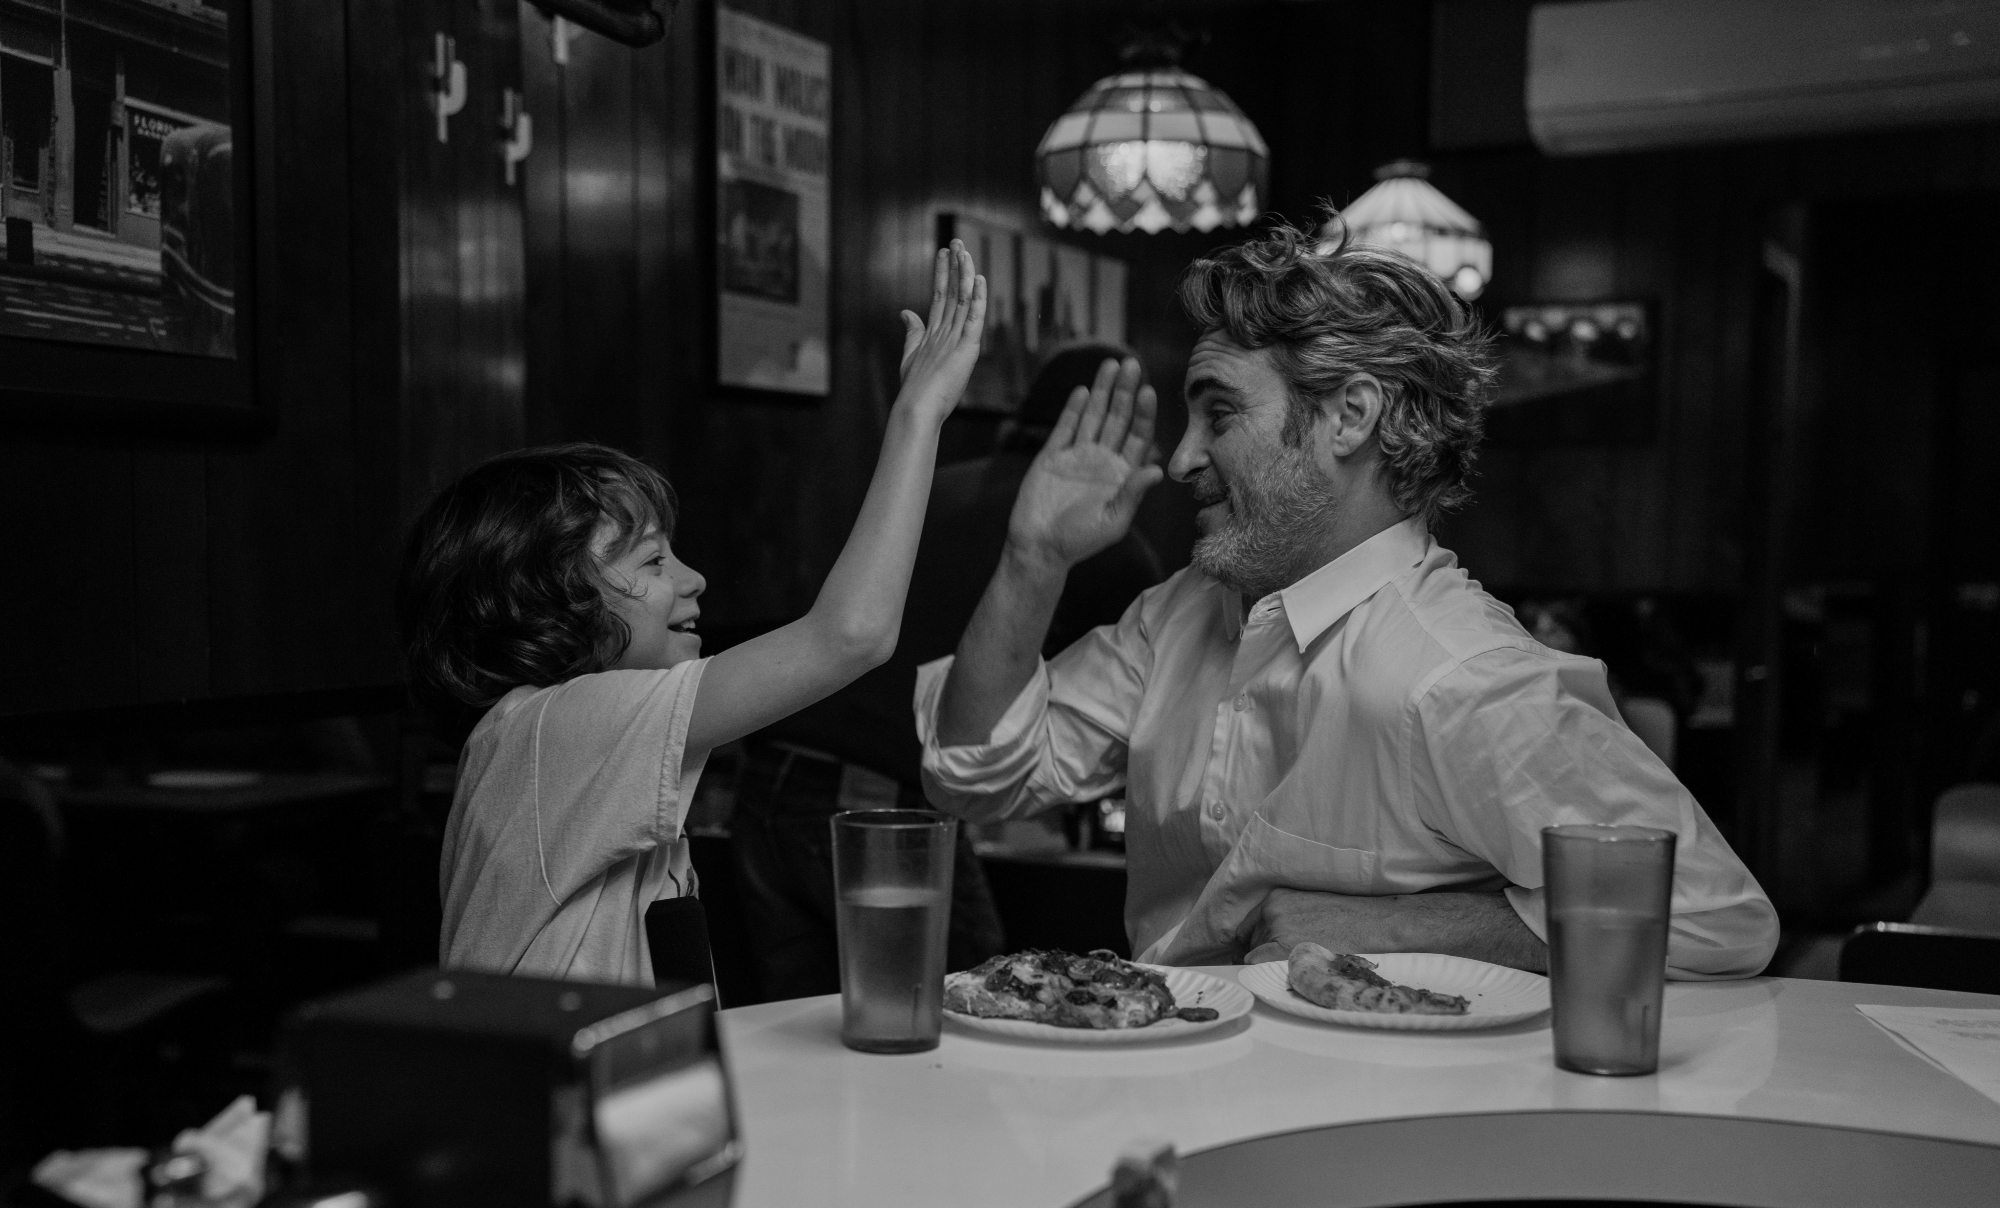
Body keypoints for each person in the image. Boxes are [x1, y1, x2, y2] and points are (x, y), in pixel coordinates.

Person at [917, 219, 1777, 979]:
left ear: (1350, 417)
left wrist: (1407, 928)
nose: (1179, 461)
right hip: (1167, 1085)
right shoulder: (1179, 616)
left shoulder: (1460, 674)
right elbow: (977, 777)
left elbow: (1713, 917)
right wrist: (1033, 559)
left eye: (1218, 416)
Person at [396, 242, 987, 984]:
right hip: (541, 1094)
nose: (695, 578)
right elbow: (852, 634)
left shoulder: (548, 732)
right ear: (541, 603)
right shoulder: (554, 727)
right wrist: (918, 415)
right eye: (651, 562)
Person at [731, 343, 1167, 1000]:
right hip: (880, 808)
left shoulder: (937, 485)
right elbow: (1113, 720)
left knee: (798, 1035)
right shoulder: (1104, 542)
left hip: (759, 785)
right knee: (970, 1011)